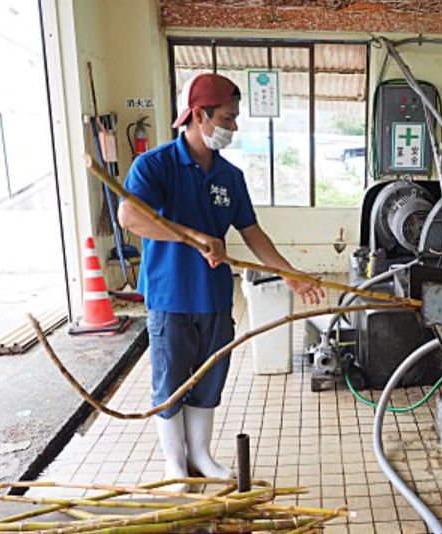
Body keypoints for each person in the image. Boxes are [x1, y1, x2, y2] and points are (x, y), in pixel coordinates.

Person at [119, 73, 324, 490]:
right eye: (228, 119)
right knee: (172, 381)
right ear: (199, 115)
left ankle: (200, 454)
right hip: (171, 296)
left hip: (214, 298)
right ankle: (174, 463)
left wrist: (291, 275)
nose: (233, 127)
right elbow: (130, 217)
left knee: (210, 378)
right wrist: (193, 237)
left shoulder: (229, 177)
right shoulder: (155, 165)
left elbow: (252, 232)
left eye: (234, 119)